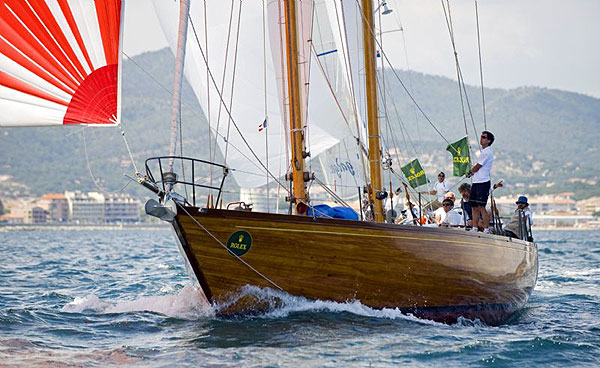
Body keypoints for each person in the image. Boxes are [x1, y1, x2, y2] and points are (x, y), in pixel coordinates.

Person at [466, 131, 494, 233]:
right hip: (476, 182)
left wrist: (470, 172)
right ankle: (474, 227)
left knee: (482, 206)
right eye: (481, 136)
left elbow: (478, 166)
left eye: (484, 137)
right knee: (474, 206)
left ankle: (486, 228)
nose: (481, 138)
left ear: (489, 140)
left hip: (483, 182)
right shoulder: (483, 152)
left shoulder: (487, 152)